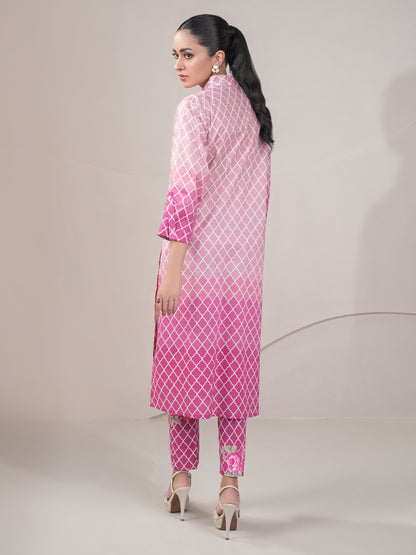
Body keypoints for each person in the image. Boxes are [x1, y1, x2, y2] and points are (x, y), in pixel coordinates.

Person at [150, 14, 274, 539]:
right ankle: (230, 487)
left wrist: (173, 270)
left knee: (185, 369)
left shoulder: (195, 109)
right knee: (229, 375)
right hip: (241, 271)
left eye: (188, 54)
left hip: (194, 264)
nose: (179, 65)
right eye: (175, 56)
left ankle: (181, 480)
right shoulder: (254, 112)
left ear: (217, 57)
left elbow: (185, 190)